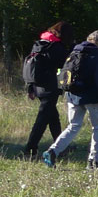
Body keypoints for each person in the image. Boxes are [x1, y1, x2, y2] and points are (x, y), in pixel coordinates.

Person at [43, 30, 98, 169]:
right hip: (91, 97)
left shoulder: (75, 51)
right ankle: (94, 160)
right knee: (97, 127)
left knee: (73, 126)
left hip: (73, 95)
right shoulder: (97, 54)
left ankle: (52, 151)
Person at [22, 21, 73, 159]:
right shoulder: (56, 47)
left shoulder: (40, 43)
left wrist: (30, 87)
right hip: (49, 87)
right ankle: (30, 149)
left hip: (37, 86)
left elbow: (33, 66)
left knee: (52, 117)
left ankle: (61, 147)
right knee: (42, 119)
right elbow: (65, 64)